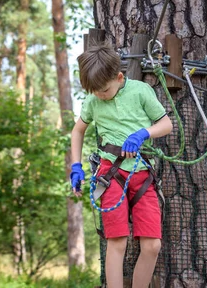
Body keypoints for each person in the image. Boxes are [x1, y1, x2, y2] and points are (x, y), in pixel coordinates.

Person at [70, 44, 173, 288]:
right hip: (110, 175)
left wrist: (143, 133)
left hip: (142, 174)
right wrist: (75, 166)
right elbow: (78, 131)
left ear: (119, 77)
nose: (100, 95)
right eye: (95, 92)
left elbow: (166, 124)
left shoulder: (140, 92)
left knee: (152, 245)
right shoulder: (93, 101)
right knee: (116, 242)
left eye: (104, 90)